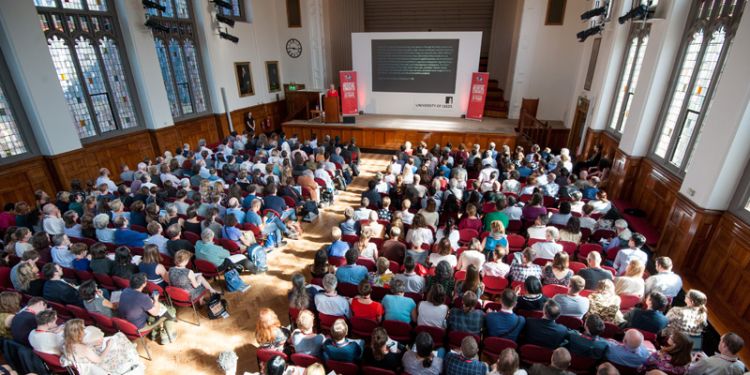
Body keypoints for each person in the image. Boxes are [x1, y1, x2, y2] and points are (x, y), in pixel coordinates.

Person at [61, 318, 145, 375]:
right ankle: (130, 350)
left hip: (88, 358)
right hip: (98, 364)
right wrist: (108, 346)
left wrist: (92, 344)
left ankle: (128, 347)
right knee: (119, 337)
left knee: (116, 338)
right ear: (78, 333)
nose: (85, 330)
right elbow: (99, 360)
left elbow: (81, 350)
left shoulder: (66, 343)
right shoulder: (84, 349)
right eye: (83, 328)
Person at [117, 273, 175, 344]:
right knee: (170, 311)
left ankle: (155, 334)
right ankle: (165, 337)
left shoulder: (125, 291)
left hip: (125, 324)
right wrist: (156, 299)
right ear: (143, 284)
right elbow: (155, 312)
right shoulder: (143, 297)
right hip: (139, 327)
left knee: (157, 310)